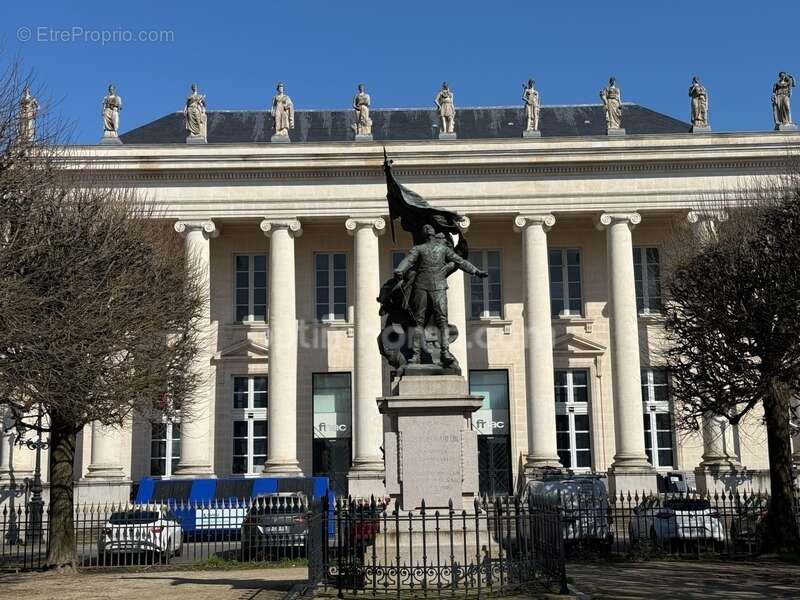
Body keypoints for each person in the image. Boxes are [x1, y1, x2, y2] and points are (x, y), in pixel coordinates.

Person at [394, 224, 488, 367]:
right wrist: (400, 269)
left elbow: (460, 261)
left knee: (442, 320)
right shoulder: (419, 249)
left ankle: (445, 352)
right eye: (425, 228)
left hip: (439, 286)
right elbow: (408, 260)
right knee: (418, 321)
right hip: (421, 286)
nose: (428, 228)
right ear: (424, 234)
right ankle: (416, 355)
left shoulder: (443, 249)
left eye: (430, 227)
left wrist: (476, 271)